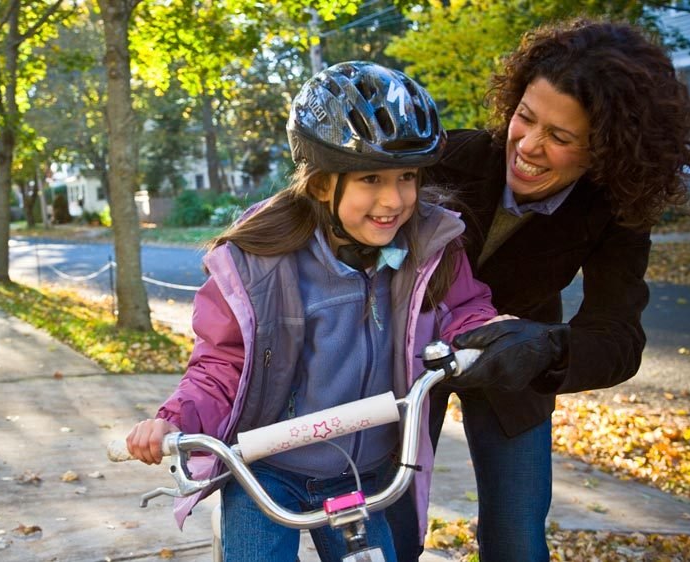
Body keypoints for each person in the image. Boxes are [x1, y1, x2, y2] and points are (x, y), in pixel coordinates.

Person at [125, 61, 503, 562]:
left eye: (407, 177)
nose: (393, 200)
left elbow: (466, 312)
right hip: (265, 472)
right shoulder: (257, 263)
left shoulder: (429, 247)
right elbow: (220, 366)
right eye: (370, 178)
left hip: (366, 471)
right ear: (322, 183)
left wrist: (492, 336)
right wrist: (174, 421)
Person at [385, 18, 690, 562]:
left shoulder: (615, 212)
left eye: (560, 138)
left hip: (519, 366)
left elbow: (618, 336)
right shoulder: (446, 158)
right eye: (525, 118)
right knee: (391, 535)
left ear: (606, 151)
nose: (528, 147)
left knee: (518, 541)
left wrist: (546, 348)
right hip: (405, 364)